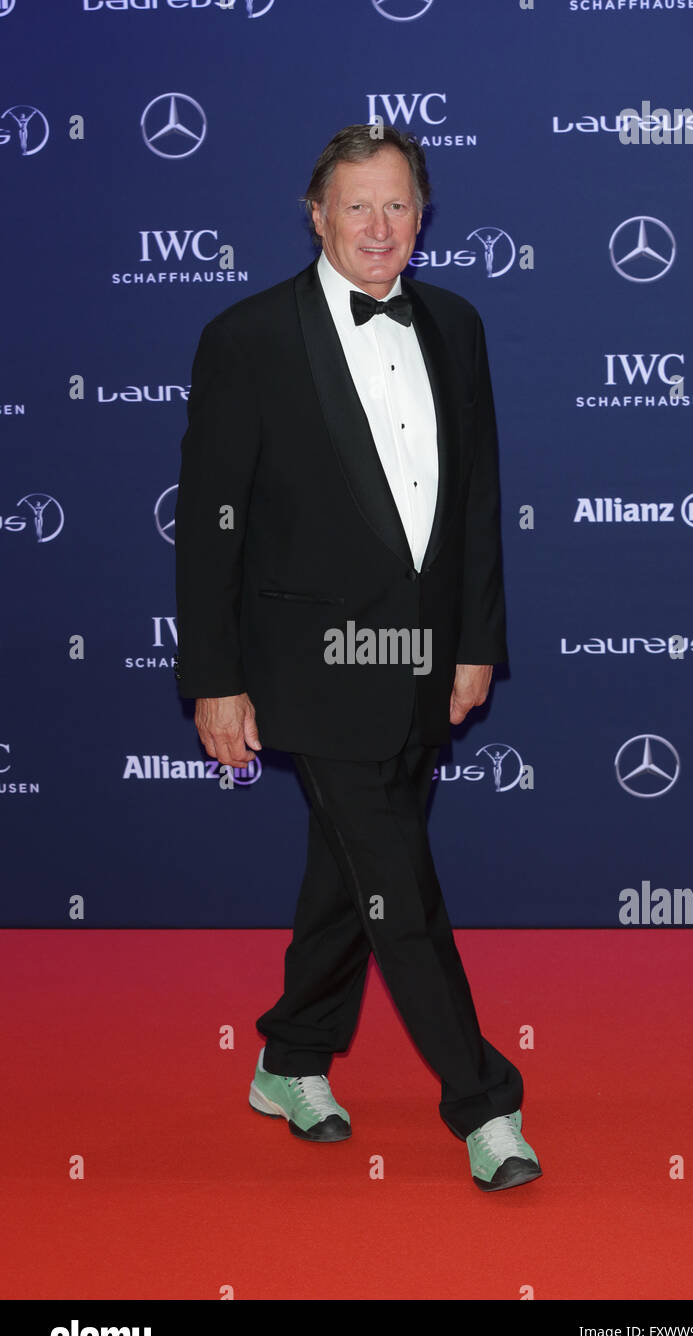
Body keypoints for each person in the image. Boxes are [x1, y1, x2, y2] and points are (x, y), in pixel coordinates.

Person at [174, 124, 541, 1192]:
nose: (380, 229)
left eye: (399, 207)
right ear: (316, 215)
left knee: (350, 875)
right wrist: (215, 673)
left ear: (422, 217)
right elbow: (212, 527)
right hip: (307, 663)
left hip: (422, 657)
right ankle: (483, 1104)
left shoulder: (459, 324)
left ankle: (290, 1057)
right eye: (357, 207)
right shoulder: (246, 337)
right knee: (401, 887)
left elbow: (475, 501)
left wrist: (475, 643)